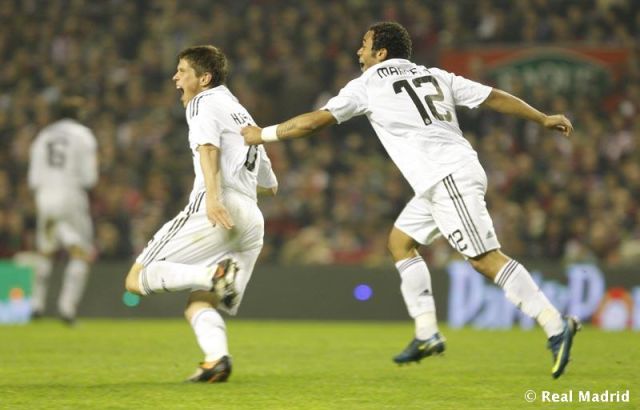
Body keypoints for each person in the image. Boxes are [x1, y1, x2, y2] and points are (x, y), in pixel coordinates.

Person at [242, 22, 579, 379]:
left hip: (446, 177)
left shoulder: (368, 84)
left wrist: (262, 134)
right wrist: (541, 118)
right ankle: (426, 332)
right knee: (400, 243)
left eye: (364, 45)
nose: (359, 51)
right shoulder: (436, 75)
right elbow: (492, 96)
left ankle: (555, 324)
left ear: (381, 53)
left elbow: (312, 123)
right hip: (444, 178)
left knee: (484, 259)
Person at [124, 45, 278, 383]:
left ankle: (213, 275)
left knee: (135, 279)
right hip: (252, 218)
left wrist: (213, 197)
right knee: (200, 303)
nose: (175, 78)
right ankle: (216, 360)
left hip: (219, 207)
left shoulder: (203, 102)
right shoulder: (242, 113)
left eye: (182, 71)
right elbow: (270, 185)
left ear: (204, 78)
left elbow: (209, 147)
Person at [28, 97, 98, 325]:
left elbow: (33, 178)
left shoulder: (43, 136)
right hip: (71, 194)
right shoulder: (83, 135)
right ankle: (67, 308)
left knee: (46, 249)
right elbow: (89, 178)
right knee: (80, 251)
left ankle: (36, 305)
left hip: (45, 196)